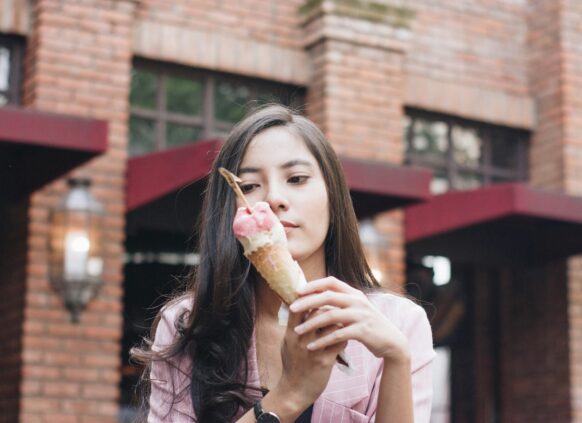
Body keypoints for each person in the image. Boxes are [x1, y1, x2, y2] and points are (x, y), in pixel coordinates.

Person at [131, 104, 436, 422]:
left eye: (297, 178)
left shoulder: (398, 324)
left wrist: (397, 358)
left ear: (333, 196)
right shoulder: (188, 323)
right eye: (248, 186)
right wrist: (290, 395)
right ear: (228, 212)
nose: (274, 198)